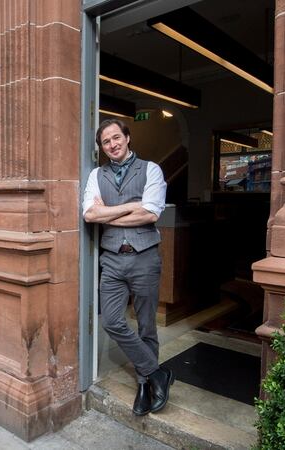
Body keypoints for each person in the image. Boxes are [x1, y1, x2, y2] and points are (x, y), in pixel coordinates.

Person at [82, 119, 171, 416]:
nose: (112, 144)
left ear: (127, 138)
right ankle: (157, 372)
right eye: (106, 142)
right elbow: (89, 214)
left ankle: (146, 384)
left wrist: (107, 214)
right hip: (112, 259)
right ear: (102, 147)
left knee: (147, 324)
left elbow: (150, 214)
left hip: (144, 257)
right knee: (111, 321)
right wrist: (129, 206)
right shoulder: (97, 174)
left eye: (116, 137)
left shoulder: (151, 170)